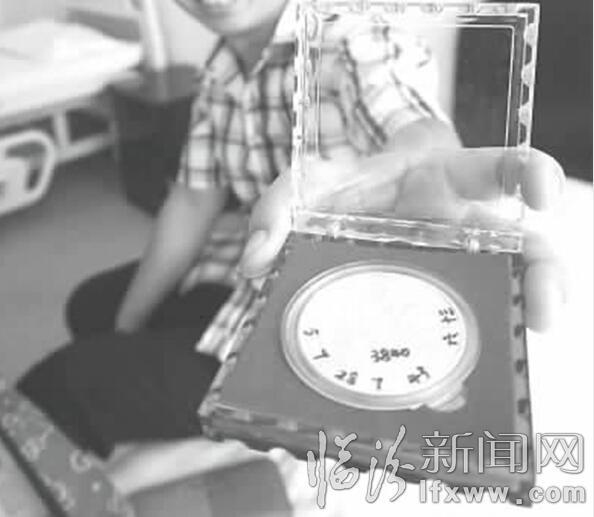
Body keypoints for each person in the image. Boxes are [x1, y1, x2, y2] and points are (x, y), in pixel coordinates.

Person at [16, 0, 564, 496]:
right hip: (241, 270)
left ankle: (269, 431)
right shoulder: (223, 69)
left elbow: (414, 128)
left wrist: (419, 168)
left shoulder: (353, 38)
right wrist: (126, 326)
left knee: (65, 385)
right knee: (92, 307)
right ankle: (232, 420)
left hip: (311, 318)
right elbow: (192, 201)